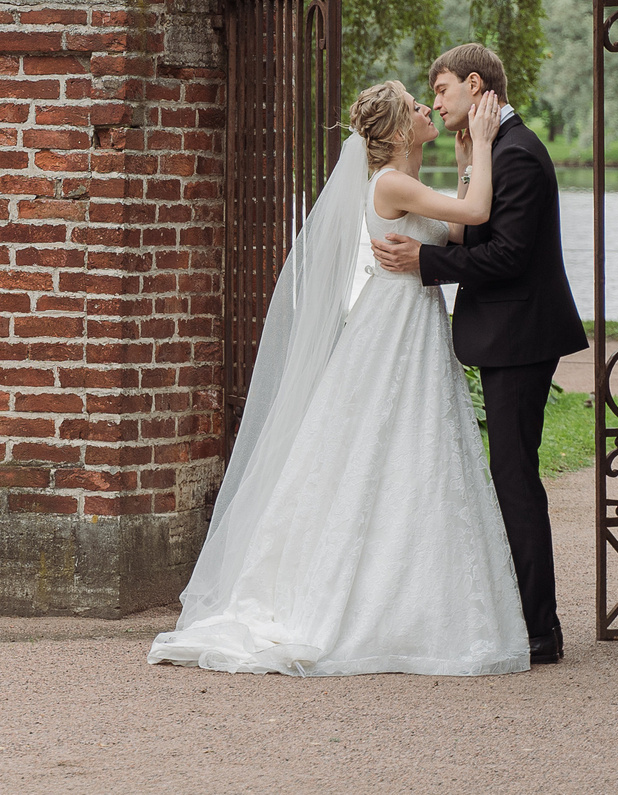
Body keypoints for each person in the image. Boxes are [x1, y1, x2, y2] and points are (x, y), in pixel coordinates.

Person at [147, 76, 530, 676]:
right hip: (394, 324)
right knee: (379, 444)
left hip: (412, 323)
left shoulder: (403, 181)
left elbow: (458, 230)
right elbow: (480, 211)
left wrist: (460, 162)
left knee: (414, 449)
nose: (428, 107)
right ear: (401, 129)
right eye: (415, 104)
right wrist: (480, 142)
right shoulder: (393, 183)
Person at [371, 42, 588, 666]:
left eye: (440, 91)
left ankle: (540, 630)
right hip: (510, 336)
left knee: (515, 479)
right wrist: (470, 161)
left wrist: (425, 262)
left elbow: (508, 257)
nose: (435, 104)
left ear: (473, 85)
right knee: (510, 476)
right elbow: (478, 226)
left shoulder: (517, 155)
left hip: (521, 338)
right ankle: (525, 617)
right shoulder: (499, 150)